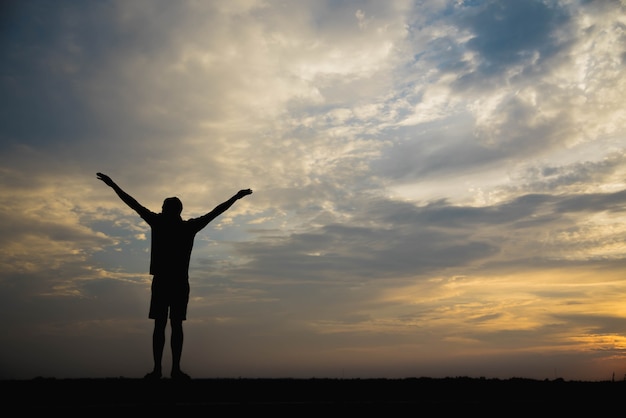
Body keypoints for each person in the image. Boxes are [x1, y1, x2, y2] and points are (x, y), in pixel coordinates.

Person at [97, 172, 252, 381]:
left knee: (164, 324)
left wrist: (112, 185)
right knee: (171, 324)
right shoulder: (186, 227)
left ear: (169, 210)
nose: (161, 210)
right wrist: (236, 197)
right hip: (175, 281)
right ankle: (168, 370)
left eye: (163, 207)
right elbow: (215, 212)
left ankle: (164, 370)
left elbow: (133, 203)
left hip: (166, 281)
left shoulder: (162, 223)